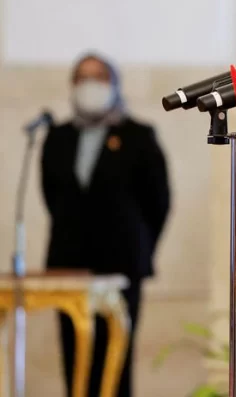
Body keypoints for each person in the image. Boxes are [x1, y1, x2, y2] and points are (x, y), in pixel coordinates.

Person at [40, 52, 171, 397]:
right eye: (82, 77)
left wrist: (139, 245)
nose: (90, 85)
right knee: (74, 357)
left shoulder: (138, 136)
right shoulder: (58, 137)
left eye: (98, 77)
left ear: (114, 84)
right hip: (68, 264)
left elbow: (158, 202)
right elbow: (52, 196)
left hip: (121, 264)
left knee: (115, 360)